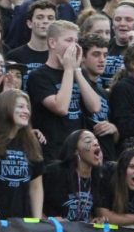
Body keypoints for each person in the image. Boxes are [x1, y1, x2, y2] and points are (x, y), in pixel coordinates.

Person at [27, 20, 100, 159]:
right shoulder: (38, 76)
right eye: (69, 40)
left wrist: (76, 70)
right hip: (52, 150)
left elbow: (95, 107)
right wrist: (68, 69)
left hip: (79, 150)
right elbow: (61, 108)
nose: (75, 45)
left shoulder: (80, 73)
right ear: (53, 43)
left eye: (76, 40)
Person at [0, 89, 44, 219]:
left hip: (22, 225)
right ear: (5, 108)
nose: (26, 111)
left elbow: (36, 187)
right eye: (20, 107)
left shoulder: (32, 143)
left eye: (27, 107)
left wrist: (37, 221)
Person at [42, 129, 105, 222]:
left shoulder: (97, 178)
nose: (96, 143)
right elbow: (32, 199)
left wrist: (93, 222)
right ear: (75, 150)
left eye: (96, 141)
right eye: (88, 140)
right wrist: (47, 221)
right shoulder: (55, 172)